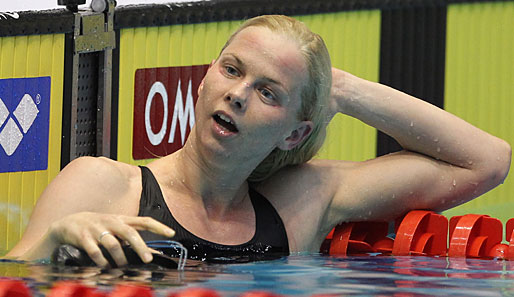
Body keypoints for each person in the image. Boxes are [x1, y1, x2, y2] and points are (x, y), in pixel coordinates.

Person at [5, 15, 511, 266]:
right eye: (231, 70)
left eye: (268, 92)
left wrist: (343, 89)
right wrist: (52, 239)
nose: (238, 95)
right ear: (204, 81)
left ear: (296, 132)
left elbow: (486, 162)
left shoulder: (302, 202)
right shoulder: (103, 186)